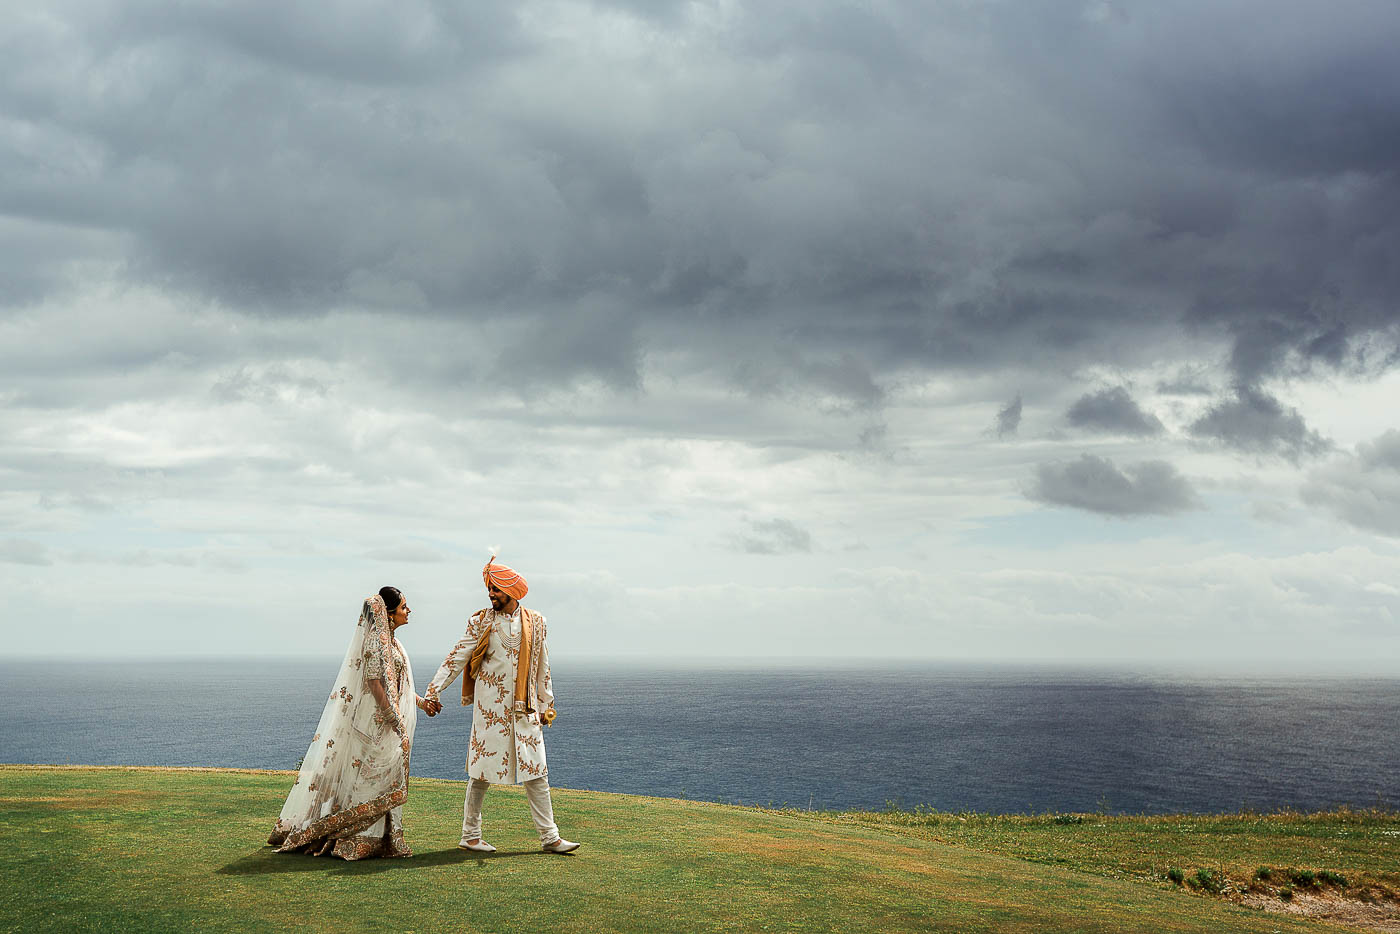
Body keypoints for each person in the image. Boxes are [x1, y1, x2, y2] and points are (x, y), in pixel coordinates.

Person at [422, 557, 580, 854]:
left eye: (496, 589)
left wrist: (547, 703)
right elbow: (456, 657)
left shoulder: (536, 622)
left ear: (512, 591)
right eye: (489, 589)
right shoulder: (480, 621)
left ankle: (551, 838)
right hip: (490, 711)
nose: (491, 594)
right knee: (480, 774)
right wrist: (434, 690)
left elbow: (542, 665)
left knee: (537, 772)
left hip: (526, 710)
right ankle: (470, 835)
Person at [268, 587, 436, 859]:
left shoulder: (392, 642)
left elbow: (398, 686)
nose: (409, 611)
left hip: (387, 720)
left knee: (383, 778)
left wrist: (420, 703)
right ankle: (355, 839)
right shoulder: (374, 641)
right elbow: (374, 684)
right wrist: (392, 717)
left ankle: (383, 839)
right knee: (367, 779)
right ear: (389, 614)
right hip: (373, 724)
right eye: (404, 607)